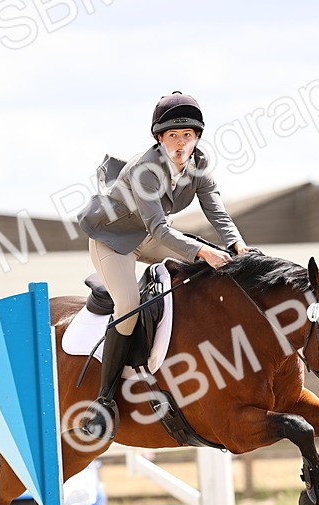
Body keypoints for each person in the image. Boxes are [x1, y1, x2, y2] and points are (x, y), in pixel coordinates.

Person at [75, 91, 252, 441]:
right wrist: (202, 251)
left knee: (212, 269)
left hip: (148, 235)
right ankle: (103, 400)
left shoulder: (199, 163)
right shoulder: (145, 170)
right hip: (114, 240)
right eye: (173, 135)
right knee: (128, 306)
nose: (181, 143)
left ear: (197, 136)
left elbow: (215, 208)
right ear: (159, 138)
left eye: (188, 134)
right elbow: (159, 228)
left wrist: (237, 244)